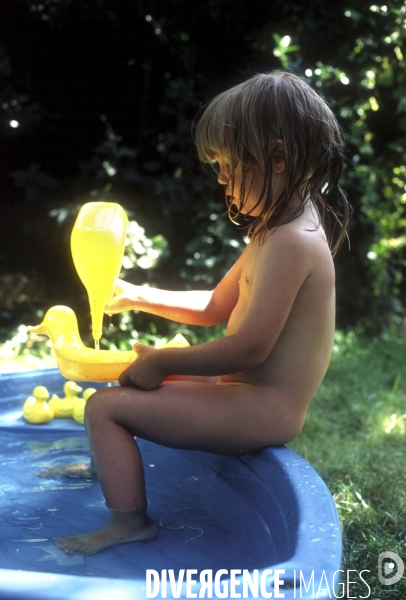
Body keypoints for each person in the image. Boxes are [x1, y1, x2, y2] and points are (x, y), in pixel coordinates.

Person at [54, 71, 351, 555]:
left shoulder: (293, 243)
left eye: (229, 165)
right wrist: (139, 293)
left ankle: (130, 522)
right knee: (126, 388)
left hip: (261, 407)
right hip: (240, 391)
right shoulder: (275, 230)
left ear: (277, 157)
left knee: (104, 408)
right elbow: (216, 305)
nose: (220, 179)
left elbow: (250, 347)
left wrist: (166, 362)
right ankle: (106, 468)